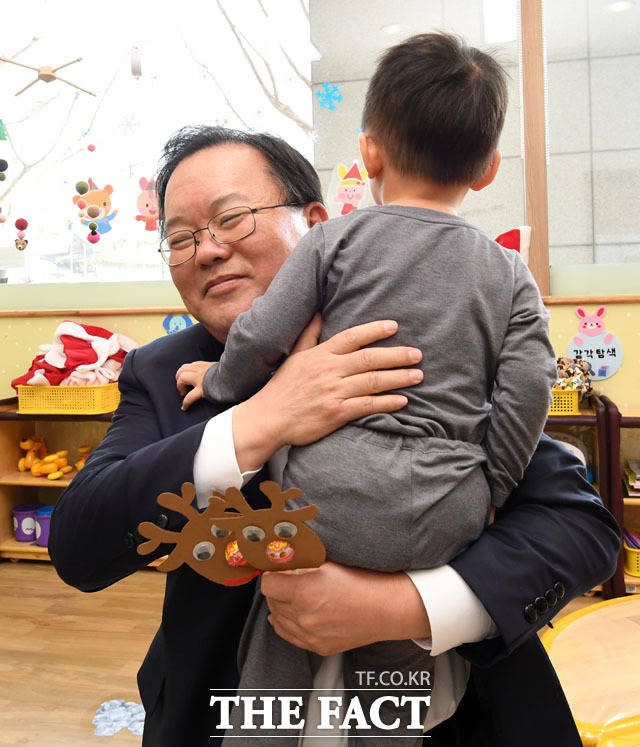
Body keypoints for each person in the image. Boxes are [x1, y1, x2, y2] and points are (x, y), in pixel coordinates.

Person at [48, 121, 620, 747]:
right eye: (180, 239)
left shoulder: (425, 336)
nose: (207, 250)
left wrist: (403, 605)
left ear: (318, 224)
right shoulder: (165, 373)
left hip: (456, 721)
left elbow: (582, 528)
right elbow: (80, 544)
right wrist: (261, 418)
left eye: (233, 218)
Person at [178, 33, 556, 744]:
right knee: (394, 665)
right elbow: (526, 395)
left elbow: (261, 336)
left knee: (284, 624)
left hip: (324, 503)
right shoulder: (510, 274)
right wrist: (489, 491)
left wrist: (219, 380)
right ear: (487, 169)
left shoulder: (334, 240)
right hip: (441, 513)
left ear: (370, 153)